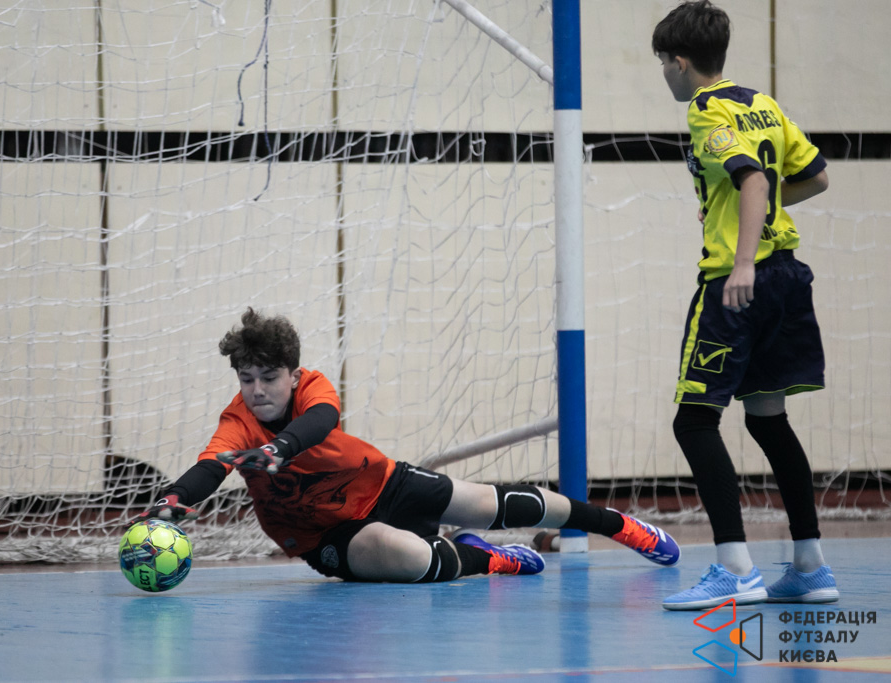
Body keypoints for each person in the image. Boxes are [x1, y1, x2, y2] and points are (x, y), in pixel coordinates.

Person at [137, 307, 681, 584]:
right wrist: (173, 500)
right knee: (411, 557)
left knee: (489, 502)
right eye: (247, 378)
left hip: (383, 482)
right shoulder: (237, 420)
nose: (257, 390)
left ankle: (619, 525)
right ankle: (490, 560)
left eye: (269, 377)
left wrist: (280, 448)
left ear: (293, 375)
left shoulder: (312, 389)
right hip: (326, 534)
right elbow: (210, 467)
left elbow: (323, 420)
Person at [652, 1, 837, 610]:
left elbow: (753, 179)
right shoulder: (763, 102)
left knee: (694, 421)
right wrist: (745, 217)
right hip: (787, 278)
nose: (665, 74)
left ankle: (735, 569)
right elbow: (815, 177)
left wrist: (741, 260)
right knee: (767, 419)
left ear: (681, 62)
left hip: (740, 287)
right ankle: (810, 566)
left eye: (663, 63)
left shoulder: (707, 110)